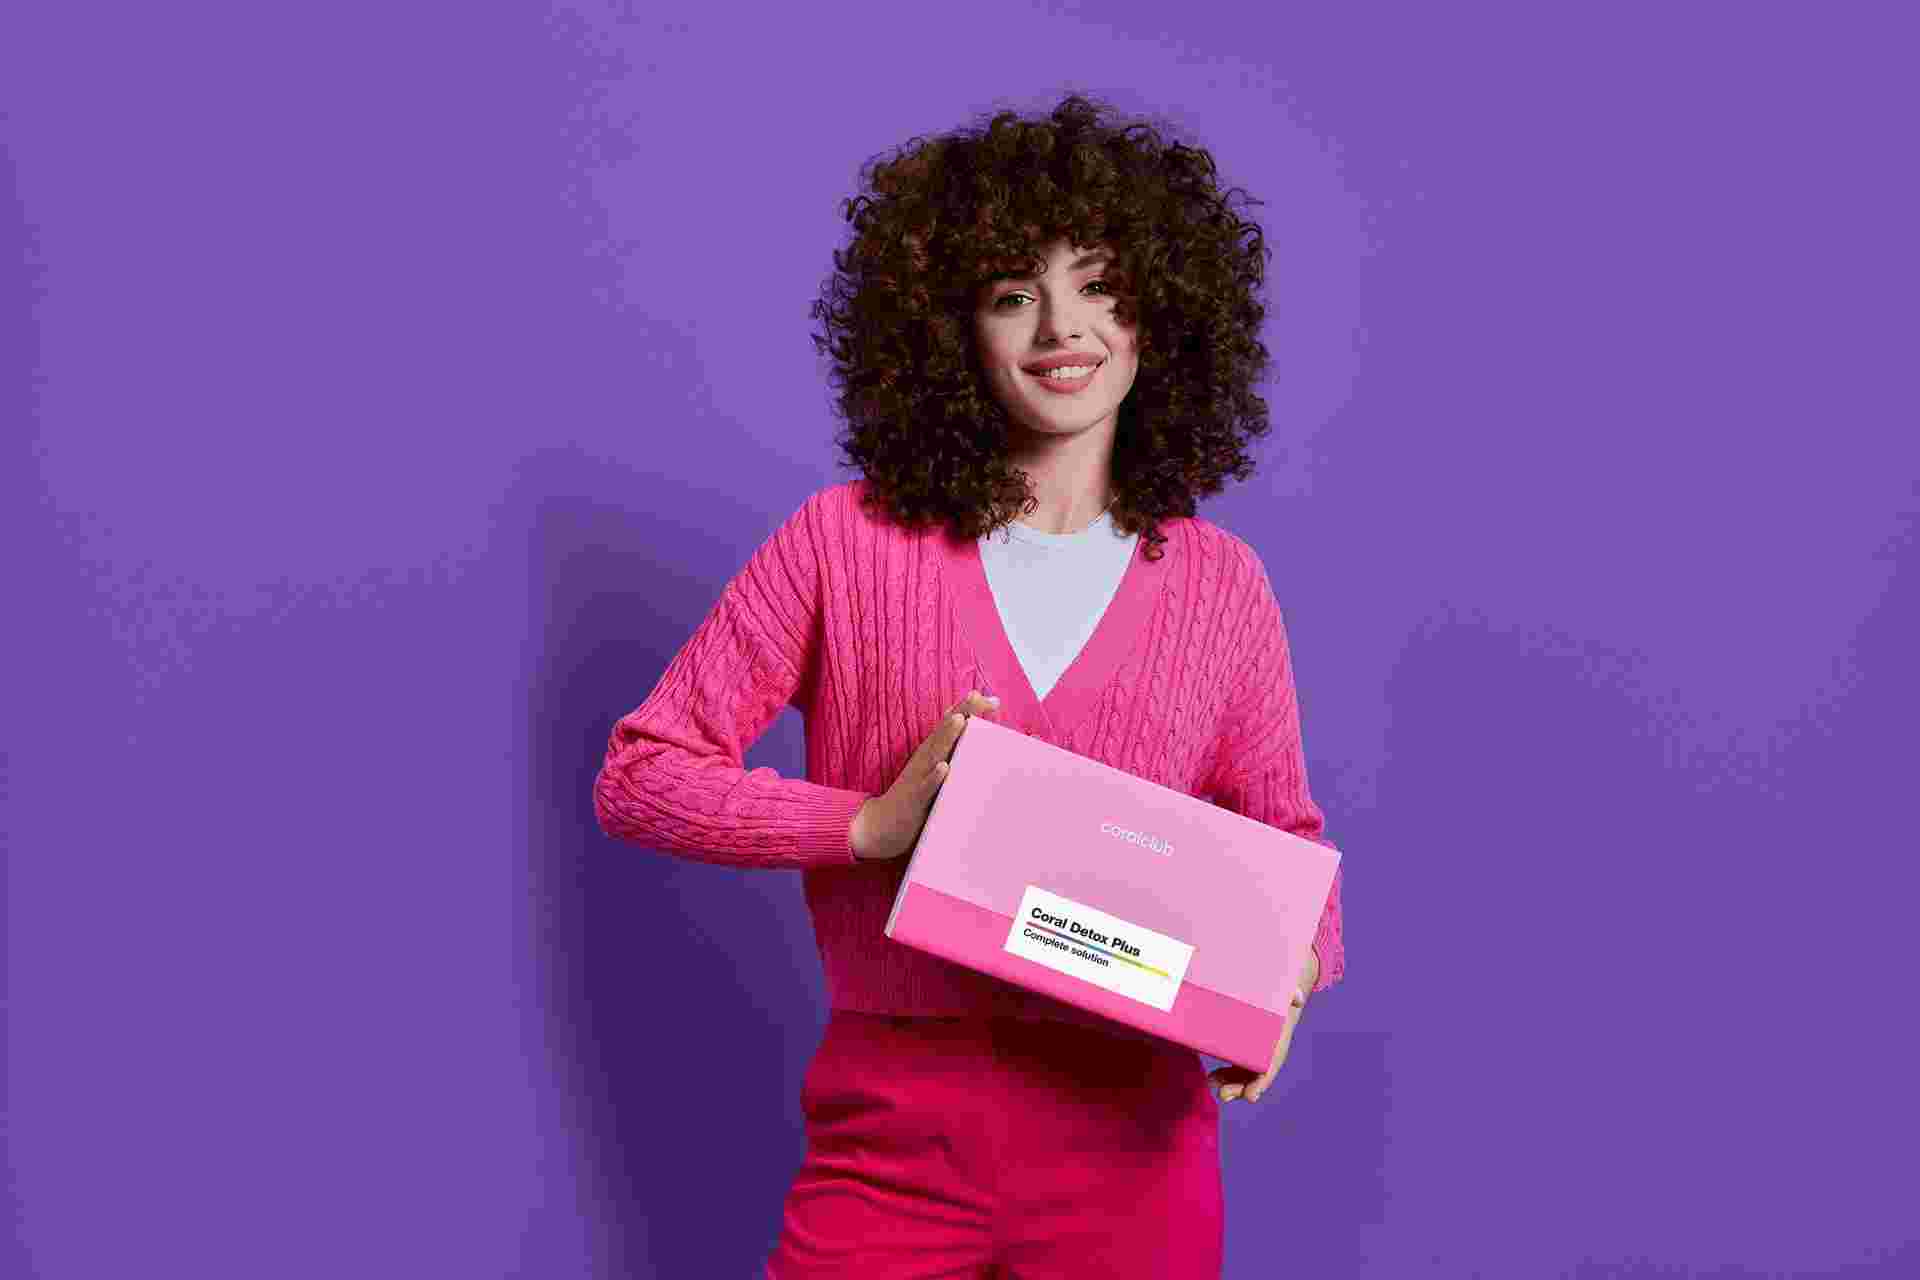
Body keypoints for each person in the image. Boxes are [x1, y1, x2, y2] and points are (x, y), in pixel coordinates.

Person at [593, 91, 1345, 1280]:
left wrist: (1286, 976)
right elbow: (642, 775)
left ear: (1162, 311)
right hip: (892, 1127)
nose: (1061, 326)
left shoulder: (1223, 584)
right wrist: (866, 824)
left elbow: (1287, 843)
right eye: (1011, 293)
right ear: (953, 332)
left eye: (1099, 284)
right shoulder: (842, 541)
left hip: (1134, 1144)